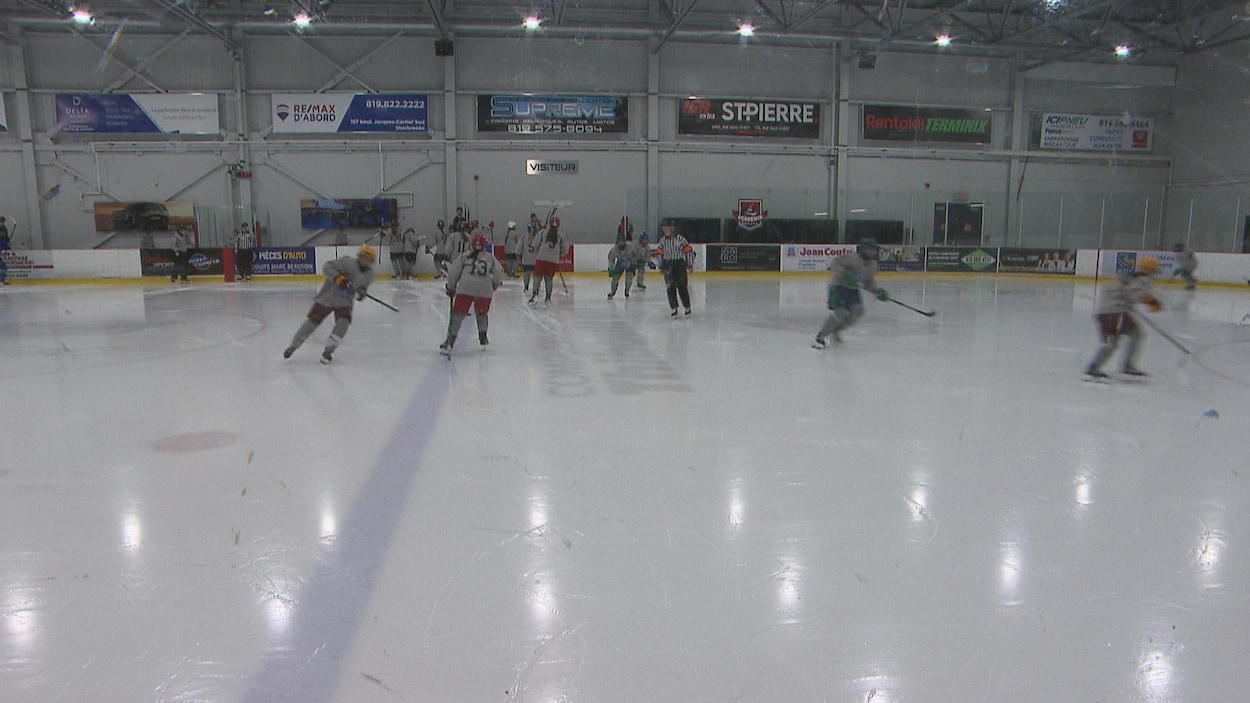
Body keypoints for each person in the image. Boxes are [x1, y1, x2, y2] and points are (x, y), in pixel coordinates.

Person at [284, 245, 378, 364]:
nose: (366, 261)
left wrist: (361, 294)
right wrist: (339, 279)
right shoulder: (347, 262)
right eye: (364, 257)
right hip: (328, 296)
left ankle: (328, 351)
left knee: (343, 325)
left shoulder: (370, 275)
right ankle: (294, 345)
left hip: (345, 301)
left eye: (369, 259)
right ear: (360, 256)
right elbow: (327, 267)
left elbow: (363, 289)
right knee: (313, 322)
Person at [1084, 256, 1162, 380]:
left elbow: (1122, 292)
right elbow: (1134, 294)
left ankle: (1124, 365)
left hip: (1109, 310)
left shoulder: (1132, 276)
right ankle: (1095, 367)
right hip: (1114, 312)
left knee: (1134, 334)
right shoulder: (1143, 280)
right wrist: (1152, 302)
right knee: (1113, 342)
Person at [812, 239, 889, 348]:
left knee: (858, 311)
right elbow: (835, 263)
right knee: (841, 312)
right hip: (838, 287)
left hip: (852, 290)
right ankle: (821, 336)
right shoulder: (852, 258)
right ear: (864, 249)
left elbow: (868, 282)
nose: (874, 253)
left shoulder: (872, 265)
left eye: (875, 250)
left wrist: (877, 291)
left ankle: (837, 330)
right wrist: (843, 274)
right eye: (871, 250)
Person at [440, 233, 503, 356]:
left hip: (465, 288)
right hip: (485, 289)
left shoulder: (464, 256)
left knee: (458, 314)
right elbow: (499, 273)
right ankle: (483, 336)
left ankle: (450, 340)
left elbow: (453, 272)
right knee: (482, 313)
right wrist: (494, 285)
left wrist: (451, 287)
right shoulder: (490, 258)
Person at [653, 218, 695, 317]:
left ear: (672, 228)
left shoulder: (680, 239)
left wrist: (690, 264)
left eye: (666, 227)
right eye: (663, 228)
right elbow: (659, 253)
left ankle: (687, 306)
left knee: (682, 286)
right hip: (668, 264)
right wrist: (661, 265)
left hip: (679, 264)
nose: (664, 230)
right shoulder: (662, 241)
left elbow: (688, 251)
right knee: (670, 286)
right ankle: (673, 307)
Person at [529, 216, 568, 305]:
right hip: (553, 260)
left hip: (541, 258)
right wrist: (559, 255)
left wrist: (537, 250)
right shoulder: (561, 235)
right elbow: (565, 249)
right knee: (549, 279)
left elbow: (535, 243)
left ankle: (535, 295)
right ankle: (548, 297)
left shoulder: (543, 232)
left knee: (538, 277)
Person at [520, 216, 542, 293]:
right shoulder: (538, 237)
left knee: (526, 274)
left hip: (526, 260)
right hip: (536, 260)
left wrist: (519, 255)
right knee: (536, 276)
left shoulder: (524, 236)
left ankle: (526, 287)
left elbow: (519, 248)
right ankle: (535, 289)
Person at [607, 234, 631, 299]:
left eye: (623, 242)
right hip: (620, 264)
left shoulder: (631, 246)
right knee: (615, 279)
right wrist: (611, 268)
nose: (621, 243)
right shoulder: (614, 250)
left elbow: (637, 253)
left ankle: (627, 291)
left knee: (629, 278)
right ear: (617, 242)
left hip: (630, 263)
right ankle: (612, 291)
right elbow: (611, 259)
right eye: (620, 242)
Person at [0, 216, 9, 285]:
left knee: (3, 265)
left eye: (3, 222)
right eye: (1, 221)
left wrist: (7, 242)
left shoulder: (4, 228)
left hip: (2, 245)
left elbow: (5, 237)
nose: (2, 223)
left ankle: (2, 280)